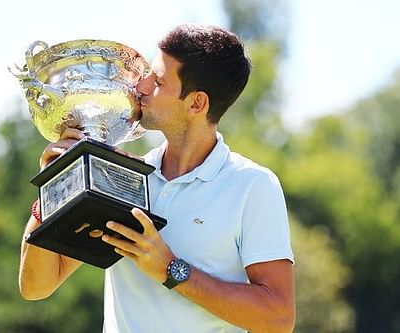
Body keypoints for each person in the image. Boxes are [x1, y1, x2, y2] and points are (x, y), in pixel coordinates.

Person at [19, 24, 295, 333]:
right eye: (148, 73)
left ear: (196, 103)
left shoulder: (252, 186)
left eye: (159, 81)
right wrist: (54, 185)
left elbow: (278, 319)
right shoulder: (120, 176)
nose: (142, 86)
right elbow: (35, 287)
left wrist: (170, 269)